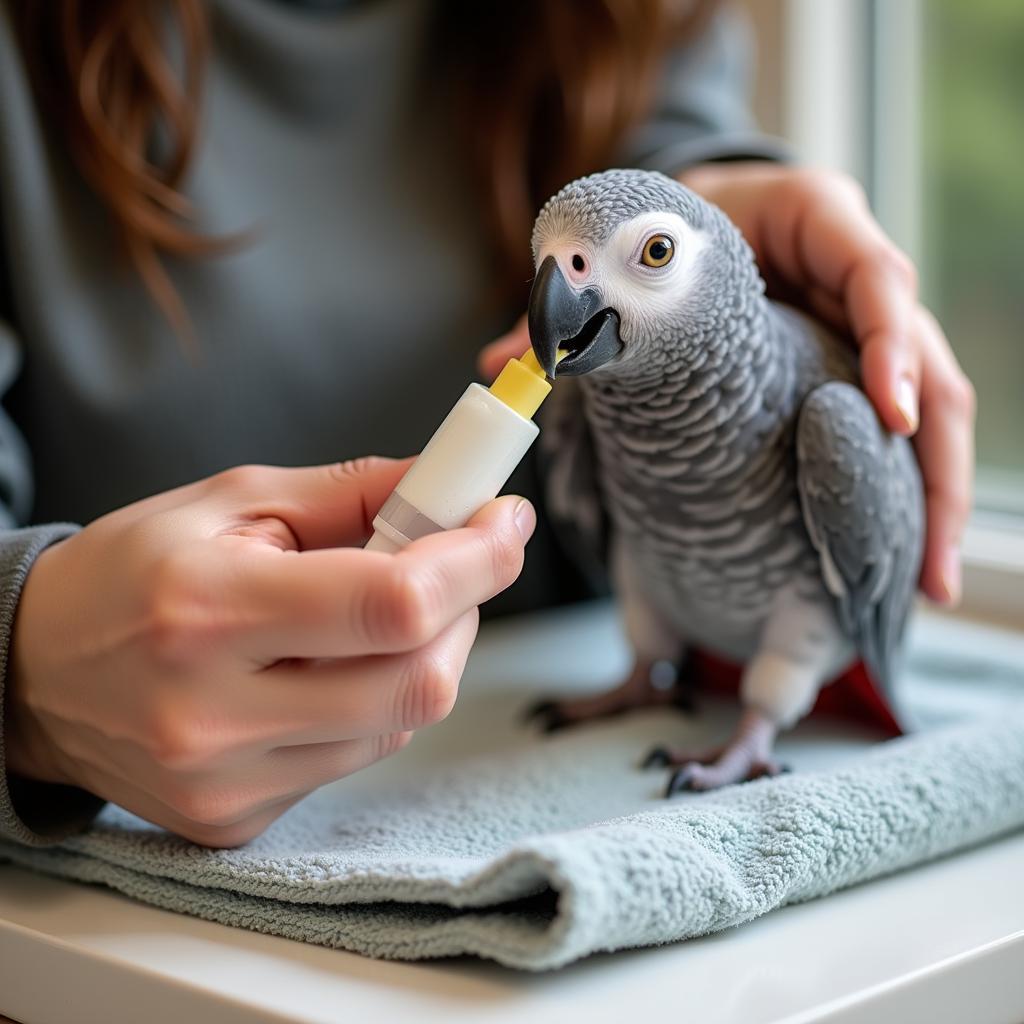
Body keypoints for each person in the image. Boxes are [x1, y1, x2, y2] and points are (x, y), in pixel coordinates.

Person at [0, 0, 974, 849]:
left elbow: (669, 124)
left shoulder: (793, 414)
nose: (566, 288)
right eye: (555, 262)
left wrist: (711, 173)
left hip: (543, 758)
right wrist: (23, 657)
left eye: (649, 256)